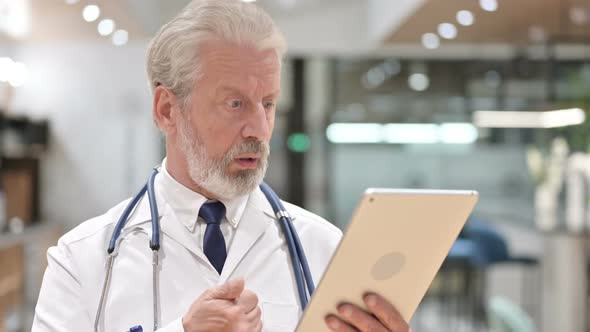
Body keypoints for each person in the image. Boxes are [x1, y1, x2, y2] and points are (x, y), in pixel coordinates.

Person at [32, 1, 411, 331]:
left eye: (267, 103)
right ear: (167, 110)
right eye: (235, 104)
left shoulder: (326, 251)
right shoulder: (82, 261)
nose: (261, 130)